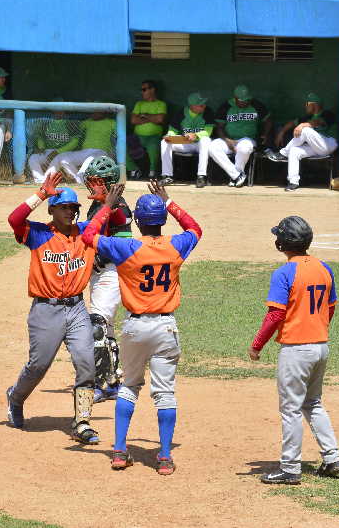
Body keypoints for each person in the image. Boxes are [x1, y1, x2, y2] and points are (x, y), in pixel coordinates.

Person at [82, 179, 201, 475]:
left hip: (135, 329)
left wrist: (107, 207)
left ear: (137, 220)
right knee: (165, 394)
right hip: (165, 328)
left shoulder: (126, 247)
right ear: (161, 219)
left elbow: (87, 236)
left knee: (129, 387)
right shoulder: (175, 245)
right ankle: (163, 457)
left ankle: (120, 452)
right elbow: (195, 229)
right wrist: (169, 200)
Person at [5, 172, 125, 444]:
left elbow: (117, 222)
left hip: (76, 308)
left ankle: (82, 422)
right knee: (39, 365)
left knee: (86, 362)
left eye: (74, 207)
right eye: (65, 207)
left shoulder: (86, 232)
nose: (71, 211)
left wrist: (107, 201)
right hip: (46, 311)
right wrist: (41, 194)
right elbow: (14, 219)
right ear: (52, 210)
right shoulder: (37, 233)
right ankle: (15, 397)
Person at [249, 216, 339, 485]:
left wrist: (257, 345)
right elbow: (331, 307)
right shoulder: (324, 268)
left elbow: (275, 315)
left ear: (283, 243)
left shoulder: (284, 272)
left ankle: (290, 468)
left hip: (296, 350)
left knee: (290, 409)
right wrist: (317, 327)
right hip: (321, 347)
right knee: (313, 403)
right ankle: (332, 457)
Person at [82, 156, 133, 403]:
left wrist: (98, 254)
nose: (91, 185)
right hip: (99, 274)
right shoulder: (97, 205)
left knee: (97, 325)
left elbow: (123, 244)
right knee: (107, 328)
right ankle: (112, 379)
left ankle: (103, 383)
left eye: (96, 181)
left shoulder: (119, 208)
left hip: (111, 274)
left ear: (109, 182)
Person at [268, 92, 339, 192]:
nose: (305, 107)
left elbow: (318, 122)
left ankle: (282, 153)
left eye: (306, 104)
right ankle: (293, 182)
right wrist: (281, 132)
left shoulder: (327, 114)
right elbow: (292, 123)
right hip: (316, 147)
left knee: (305, 130)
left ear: (313, 104)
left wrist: (303, 125)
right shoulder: (307, 117)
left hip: (329, 144)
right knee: (294, 151)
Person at [209, 85, 272, 188]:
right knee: (212, 147)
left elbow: (268, 121)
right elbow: (219, 127)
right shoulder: (226, 106)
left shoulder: (256, 105)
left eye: (247, 100)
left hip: (247, 139)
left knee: (244, 148)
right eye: (242, 100)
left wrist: (265, 134)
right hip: (229, 139)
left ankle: (235, 177)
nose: (245, 102)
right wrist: (226, 140)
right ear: (235, 98)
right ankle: (237, 176)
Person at [161, 92, 215, 188]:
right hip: (185, 143)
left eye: (204, 104)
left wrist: (196, 135)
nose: (204, 106)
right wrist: (169, 136)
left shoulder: (208, 112)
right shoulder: (181, 113)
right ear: (192, 106)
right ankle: (167, 176)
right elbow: (172, 130)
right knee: (165, 142)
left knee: (205, 140)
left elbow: (208, 131)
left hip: (200, 144)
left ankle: (201, 176)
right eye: (201, 105)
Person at [52, 110, 115, 184]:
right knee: (63, 158)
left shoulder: (112, 122)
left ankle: (79, 180)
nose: (94, 113)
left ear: (104, 112)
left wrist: (113, 154)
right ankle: (76, 181)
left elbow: (119, 138)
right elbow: (74, 129)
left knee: (89, 160)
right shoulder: (87, 122)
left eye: (97, 111)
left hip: (101, 152)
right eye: (93, 111)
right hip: (85, 151)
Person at [27, 109, 79, 184]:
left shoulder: (69, 123)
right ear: (53, 111)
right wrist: (41, 147)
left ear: (64, 112)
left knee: (58, 158)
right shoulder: (46, 123)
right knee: (33, 158)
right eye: (56, 110)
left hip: (65, 152)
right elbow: (40, 137)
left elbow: (75, 142)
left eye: (61, 110)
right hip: (48, 150)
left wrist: (58, 152)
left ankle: (46, 181)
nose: (58, 112)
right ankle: (39, 180)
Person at [128, 80, 167, 179]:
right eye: (141, 90)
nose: (142, 92)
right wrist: (151, 118)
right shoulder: (139, 104)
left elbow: (160, 119)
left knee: (154, 147)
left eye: (144, 89)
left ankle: (153, 171)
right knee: (121, 144)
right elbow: (133, 120)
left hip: (153, 137)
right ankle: (134, 169)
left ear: (152, 90)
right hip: (137, 137)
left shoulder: (160, 104)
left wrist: (144, 116)